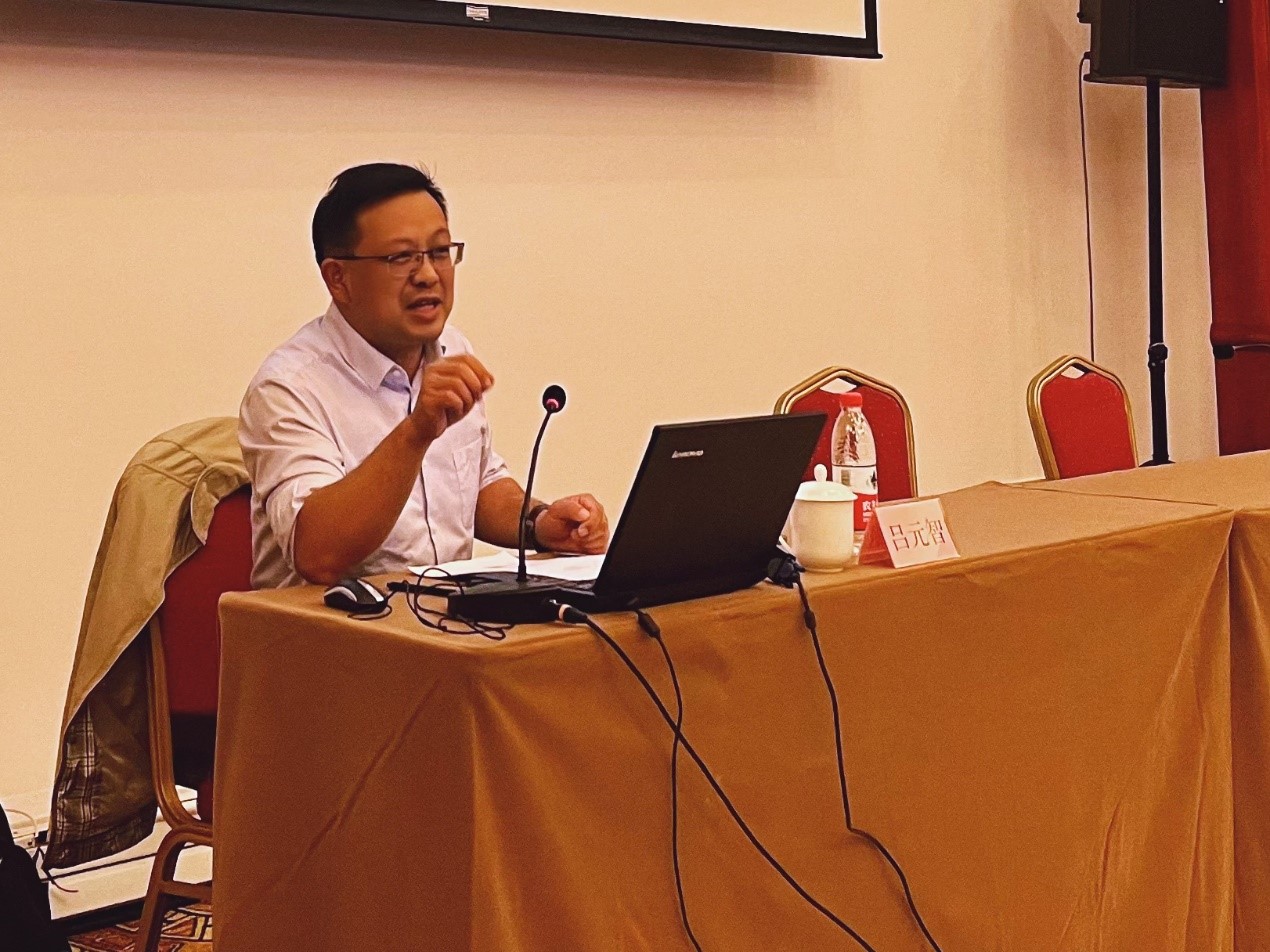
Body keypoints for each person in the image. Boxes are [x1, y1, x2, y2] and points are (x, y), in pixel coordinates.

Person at [240, 163, 608, 588]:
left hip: (442, 616)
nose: (429, 275)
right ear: (338, 279)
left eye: (439, 252)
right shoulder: (288, 387)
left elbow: (478, 485)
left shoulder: (451, 348)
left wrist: (540, 524)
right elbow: (319, 554)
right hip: (330, 625)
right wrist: (416, 432)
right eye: (401, 258)